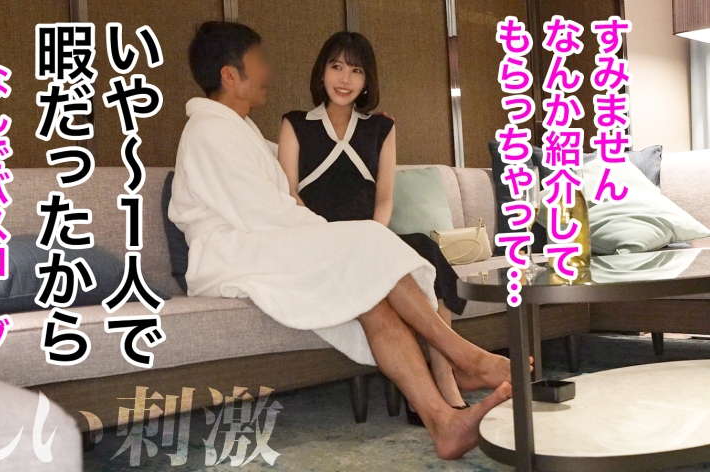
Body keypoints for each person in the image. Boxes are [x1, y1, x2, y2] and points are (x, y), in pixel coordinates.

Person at [169, 21, 531, 460]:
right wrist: (330, 235)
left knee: (371, 294)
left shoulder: (238, 130)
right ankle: (463, 357)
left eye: (356, 70)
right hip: (230, 254)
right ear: (230, 74)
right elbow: (261, 211)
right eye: (259, 61)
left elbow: (279, 189)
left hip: (259, 244)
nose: (268, 71)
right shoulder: (209, 131)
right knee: (366, 241)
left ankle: (443, 421)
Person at [276, 32, 470, 425]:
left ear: (367, 80)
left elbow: (384, 199)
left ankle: (443, 375)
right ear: (321, 73)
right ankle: (443, 378)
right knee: (405, 255)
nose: (344, 78)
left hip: (371, 239)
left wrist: (374, 237)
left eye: (356, 70)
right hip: (321, 241)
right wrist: (333, 238)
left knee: (424, 249)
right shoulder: (295, 124)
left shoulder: (381, 128)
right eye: (336, 67)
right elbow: (288, 193)